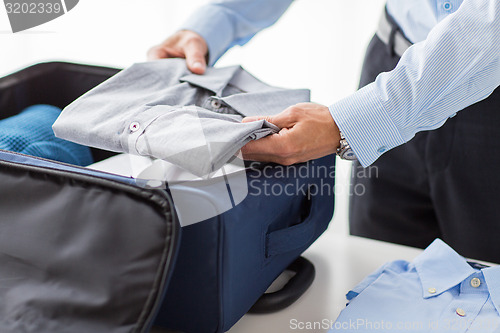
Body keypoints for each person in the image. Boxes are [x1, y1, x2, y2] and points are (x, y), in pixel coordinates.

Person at [148, 0, 500, 262]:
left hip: (486, 101)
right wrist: (216, 22)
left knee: (489, 283)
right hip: (390, 60)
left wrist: (350, 124)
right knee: (377, 265)